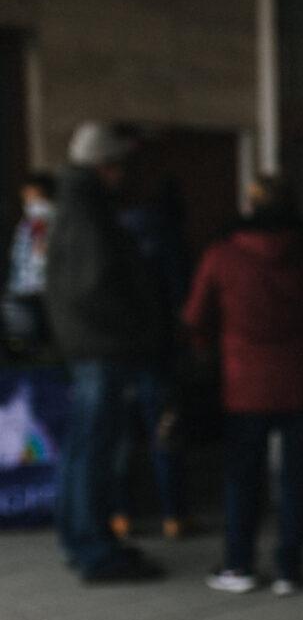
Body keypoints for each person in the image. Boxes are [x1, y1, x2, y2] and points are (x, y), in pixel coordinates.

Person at [183, 175, 303, 596]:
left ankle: (239, 564)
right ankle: (288, 568)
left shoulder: (223, 254)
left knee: (242, 477)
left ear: (249, 205)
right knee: (299, 478)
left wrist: (210, 355)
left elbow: (195, 318)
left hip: (244, 384)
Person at [45, 122, 166, 582]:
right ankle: (94, 549)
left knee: (84, 449)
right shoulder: (87, 209)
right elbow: (95, 286)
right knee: (95, 451)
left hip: (90, 345)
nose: (123, 175)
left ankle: (81, 541)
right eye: (118, 166)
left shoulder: (75, 204)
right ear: (103, 166)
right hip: (103, 346)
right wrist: (137, 326)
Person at [111, 177, 190, 541]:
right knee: (165, 433)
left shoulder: (112, 233)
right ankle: (174, 515)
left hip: (119, 350)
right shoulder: (169, 238)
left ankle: (122, 514)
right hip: (159, 352)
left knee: (122, 438)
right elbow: (182, 296)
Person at [3, 171, 55, 359]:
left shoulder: (57, 223)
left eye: (36, 198)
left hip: (48, 294)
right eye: (27, 199)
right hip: (23, 292)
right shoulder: (25, 226)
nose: (32, 204)